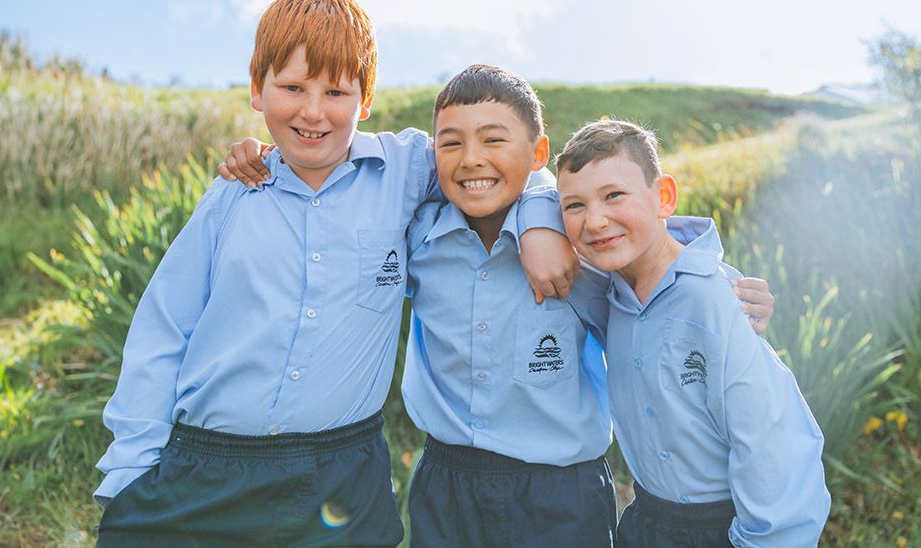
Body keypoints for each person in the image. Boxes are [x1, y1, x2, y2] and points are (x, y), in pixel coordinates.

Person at [93, 0, 575, 546]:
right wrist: (129, 470)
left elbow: (502, 158)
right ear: (257, 90)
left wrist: (540, 217)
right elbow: (162, 330)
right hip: (206, 466)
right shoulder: (231, 195)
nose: (313, 111)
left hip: (343, 477)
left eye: (336, 91)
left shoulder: (406, 168)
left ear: (364, 99)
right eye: (292, 88)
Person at [220, 65, 776, 546]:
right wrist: (269, 157)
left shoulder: (575, 242)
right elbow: (340, 212)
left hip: (563, 493)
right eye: (451, 143)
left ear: (537, 154)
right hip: (446, 483)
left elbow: (650, 274)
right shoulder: (418, 240)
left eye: (493, 140)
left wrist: (722, 291)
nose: (471, 160)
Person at [556, 119, 830, 546]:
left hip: (722, 528)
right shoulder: (607, 290)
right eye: (574, 205)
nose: (595, 221)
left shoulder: (718, 301)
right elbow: (525, 195)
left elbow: (772, 447)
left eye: (614, 196)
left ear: (663, 196)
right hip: (645, 522)